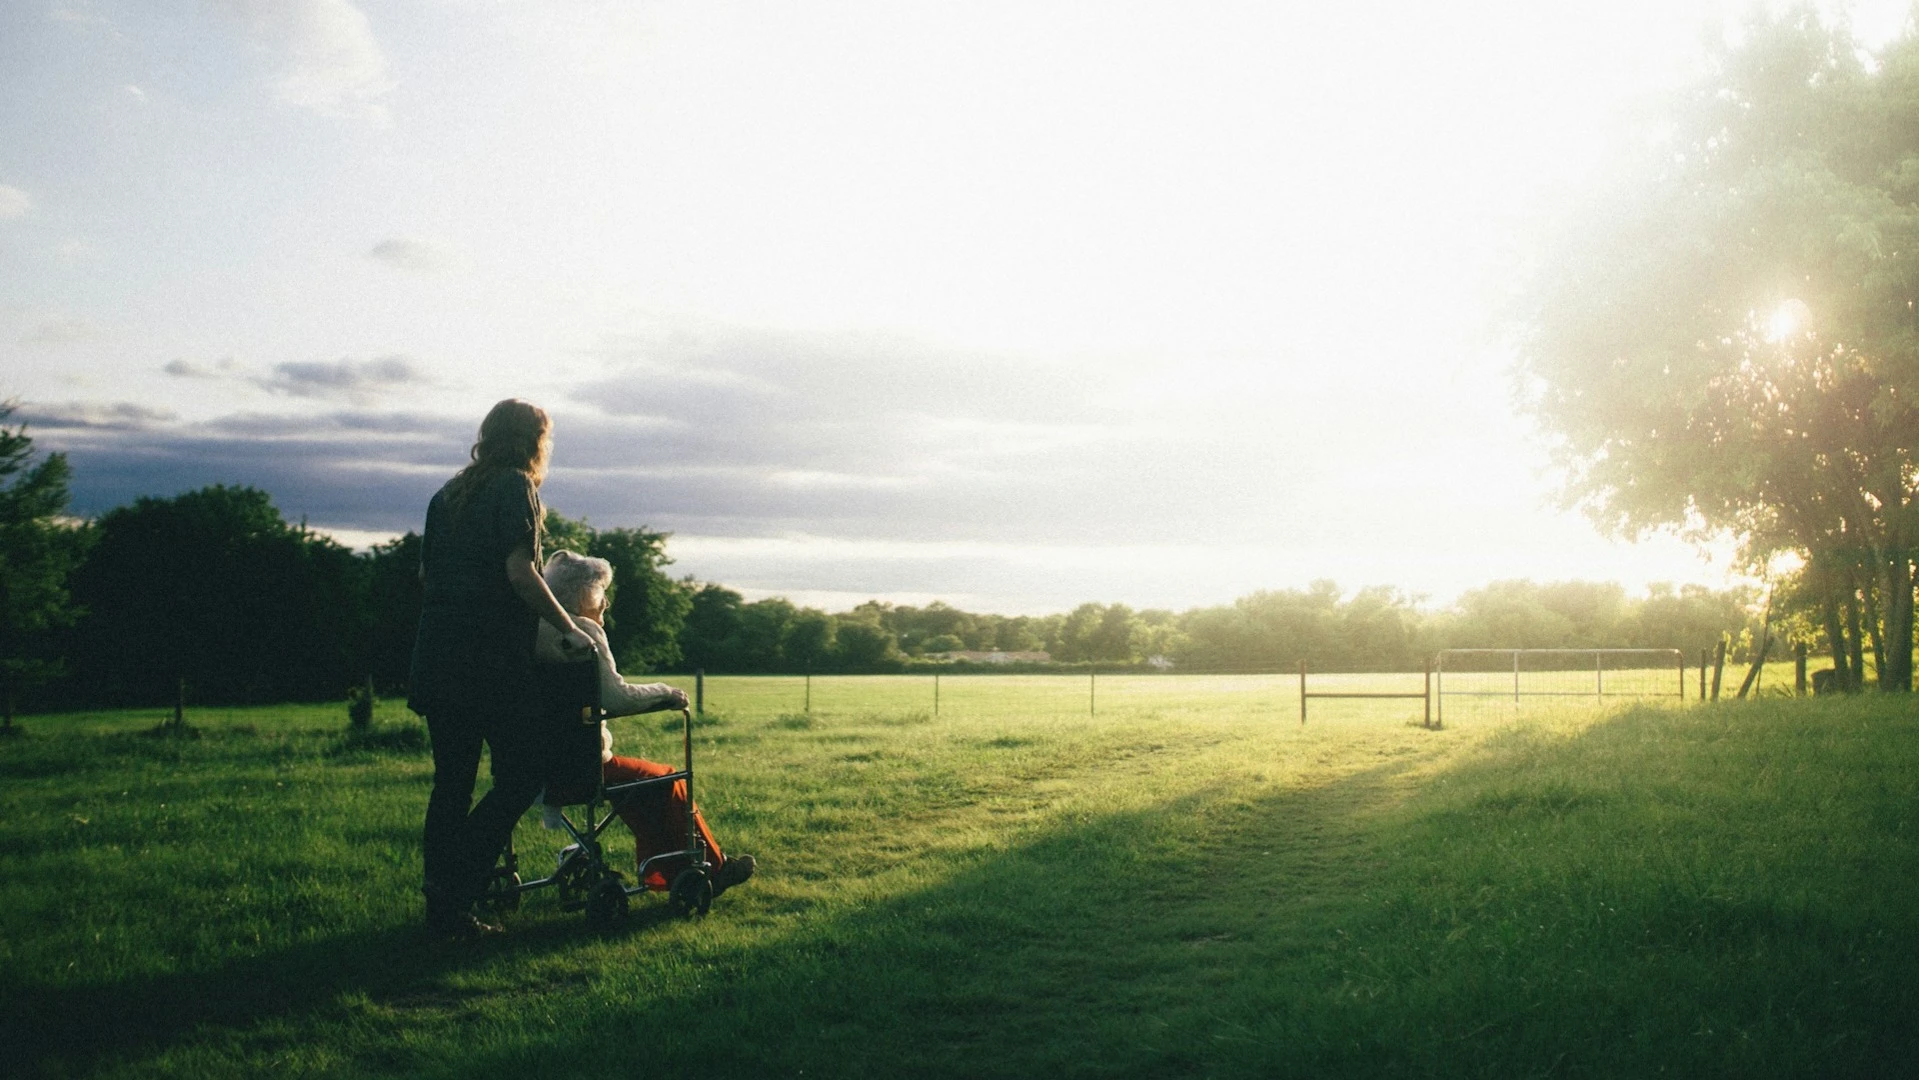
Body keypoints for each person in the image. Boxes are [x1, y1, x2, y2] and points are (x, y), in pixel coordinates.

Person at [407, 399, 595, 938]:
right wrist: (568, 627)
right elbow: (521, 573)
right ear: (534, 441)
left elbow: (429, 574)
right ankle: (455, 886)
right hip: (486, 662)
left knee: (452, 785)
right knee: (522, 774)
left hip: (437, 655)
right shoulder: (516, 488)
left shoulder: (447, 495)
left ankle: (443, 909)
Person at [534, 550, 756, 896]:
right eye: (600, 592)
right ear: (582, 595)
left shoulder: (533, 630)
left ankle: (665, 872)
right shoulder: (583, 632)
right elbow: (617, 698)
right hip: (582, 766)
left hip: (535, 766)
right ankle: (712, 867)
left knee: (641, 785)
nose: (605, 602)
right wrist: (666, 693)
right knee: (666, 779)